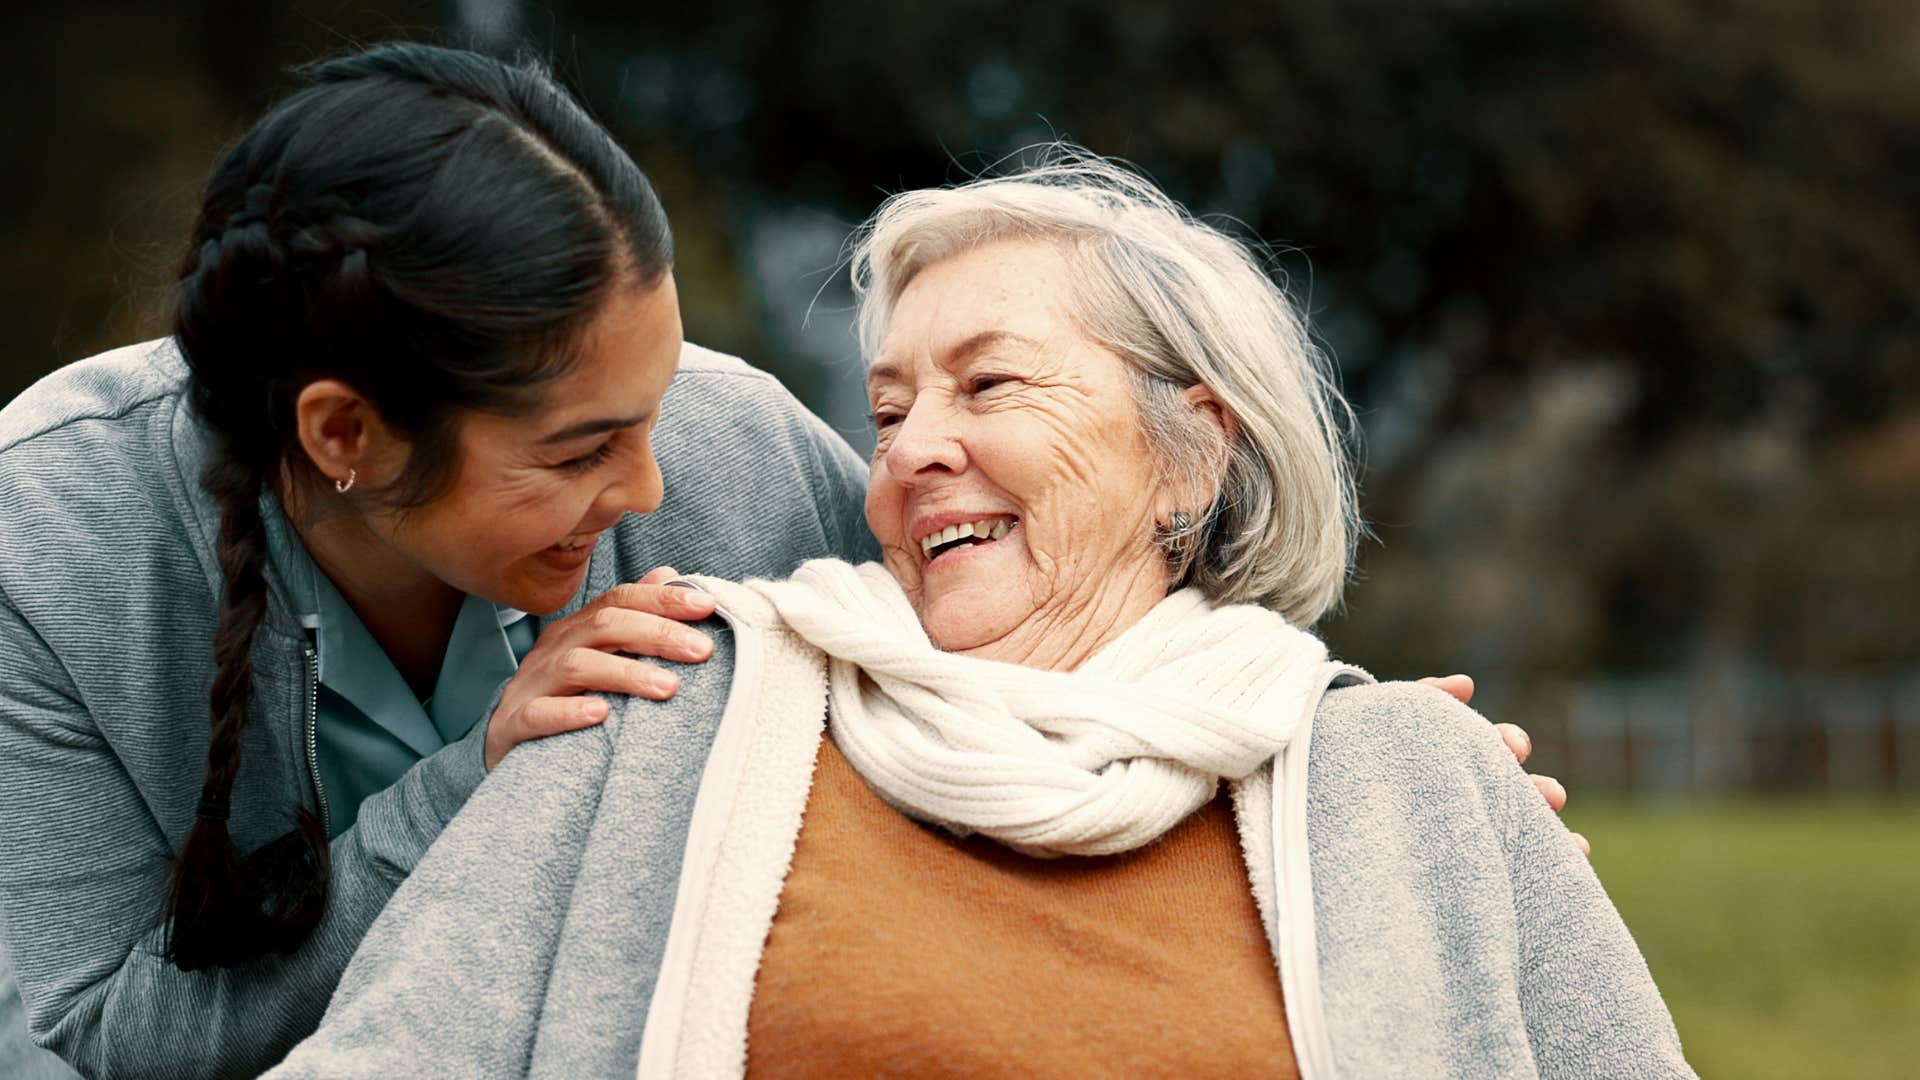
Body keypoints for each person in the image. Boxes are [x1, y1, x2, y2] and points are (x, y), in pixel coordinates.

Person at [269, 155, 1691, 1078]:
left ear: (1192, 454)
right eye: (887, 410)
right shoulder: (663, 716)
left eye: (990, 386)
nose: (909, 448)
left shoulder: (1408, 777)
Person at [0, 43, 879, 1079]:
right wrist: (476, 785)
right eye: (580, 450)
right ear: (343, 435)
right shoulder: (48, 540)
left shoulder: (746, 453)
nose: (649, 490)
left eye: (656, 407)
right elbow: (118, 1034)